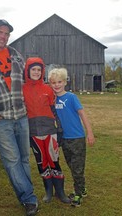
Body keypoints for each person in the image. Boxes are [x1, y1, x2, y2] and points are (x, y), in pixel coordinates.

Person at [0, 19, 38, 216]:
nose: (3, 36)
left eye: (6, 34)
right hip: (0, 118)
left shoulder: (16, 56)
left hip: (21, 115)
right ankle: (29, 198)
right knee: (12, 161)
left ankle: (27, 194)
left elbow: (27, 83)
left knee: (25, 159)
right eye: (0, 32)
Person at [23, 57, 71, 205]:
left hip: (50, 130)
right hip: (33, 132)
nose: (36, 72)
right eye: (33, 69)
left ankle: (60, 192)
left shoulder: (48, 89)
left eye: (39, 70)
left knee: (54, 161)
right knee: (41, 163)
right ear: (28, 71)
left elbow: (54, 110)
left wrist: (60, 128)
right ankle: (48, 192)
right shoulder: (22, 89)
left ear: (42, 71)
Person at [48, 67, 95, 207]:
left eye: (59, 82)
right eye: (53, 82)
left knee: (77, 168)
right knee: (71, 166)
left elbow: (82, 115)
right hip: (64, 139)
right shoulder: (53, 100)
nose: (56, 85)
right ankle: (83, 189)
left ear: (65, 82)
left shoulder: (71, 97)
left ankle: (78, 194)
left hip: (77, 138)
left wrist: (90, 133)